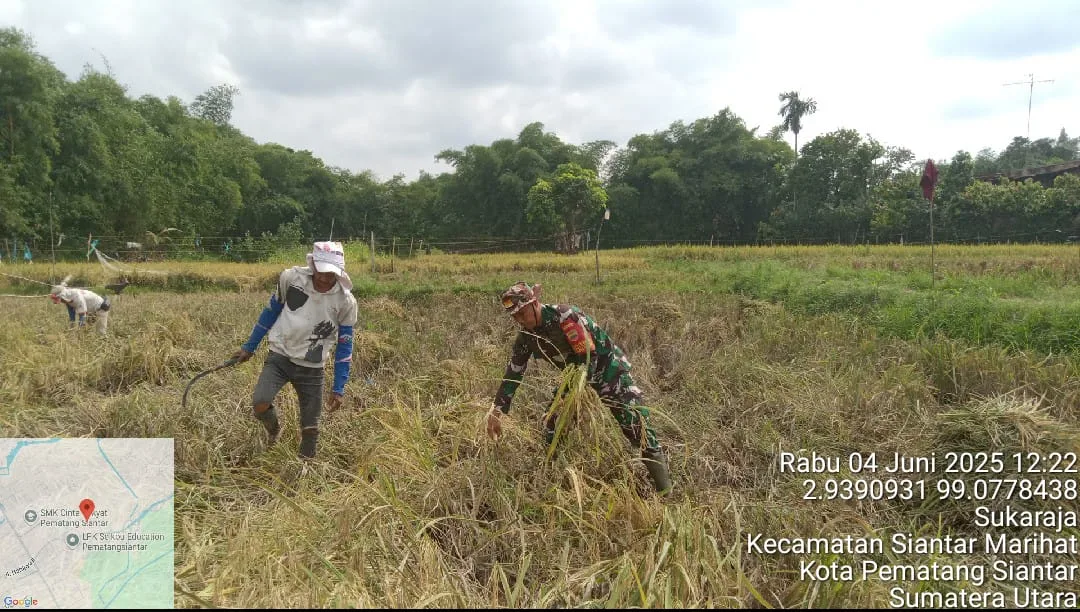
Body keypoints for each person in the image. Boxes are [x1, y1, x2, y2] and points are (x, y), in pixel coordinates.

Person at [486, 281, 673, 495]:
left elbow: (587, 357)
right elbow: (513, 373)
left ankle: (665, 492)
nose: (520, 321)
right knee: (553, 424)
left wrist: (574, 393)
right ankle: (551, 481)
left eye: (523, 314)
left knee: (635, 424)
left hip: (608, 372)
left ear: (534, 303)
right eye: (515, 317)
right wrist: (498, 410)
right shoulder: (527, 338)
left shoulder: (565, 317)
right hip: (573, 378)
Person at [232, 241, 358, 461]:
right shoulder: (292, 280)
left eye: (331, 274)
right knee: (260, 403)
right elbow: (270, 313)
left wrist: (338, 388)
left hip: (312, 368)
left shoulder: (345, 301)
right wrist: (249, 347)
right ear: (313, 265)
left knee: (311, 428)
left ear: (339, 273)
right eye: (321, 271)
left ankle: (304, 471)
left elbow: (345, 345)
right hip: (280, 356)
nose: (324, 279)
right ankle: (274, 430)